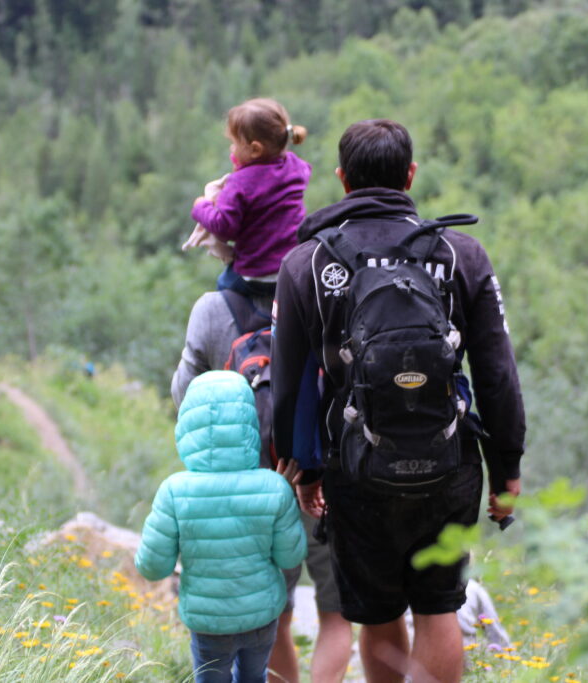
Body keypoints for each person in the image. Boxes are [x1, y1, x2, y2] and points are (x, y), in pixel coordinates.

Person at [272, 119, 526, 682]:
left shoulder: (307, 264)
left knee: (377, 611)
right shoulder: (460, 253)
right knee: (439, 606)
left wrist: (304, 468)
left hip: (356, 465)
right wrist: (507, 467)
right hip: (450, 461)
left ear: (342, 180)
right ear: (410, 175)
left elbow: (289, 386)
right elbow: (497, 373)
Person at [171, 292, 355, 683]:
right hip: (328, 482)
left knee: (274, 621)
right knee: (336, 617)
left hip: (252, 492)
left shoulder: (214, 309)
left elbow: (183, 396)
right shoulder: (327, 282)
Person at [135, 370, 308, 683]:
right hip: (261, 615)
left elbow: (151, 567)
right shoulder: (273, 487)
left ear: (188, 424)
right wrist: (281, 498)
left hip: (207, 621)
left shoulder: (174, 491)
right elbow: (290, 558)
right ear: (249, 423)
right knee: (255, 677)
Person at [185, 97, 312, 296]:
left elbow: (224, 228)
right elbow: (305, 171)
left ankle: (247, 319)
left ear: (255, 149)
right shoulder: (296, 167)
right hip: (293, 269)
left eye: (234, 143)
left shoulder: (240, 183)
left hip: (257, 275)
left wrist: (201, 207)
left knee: (224, 286)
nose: (231, 149)